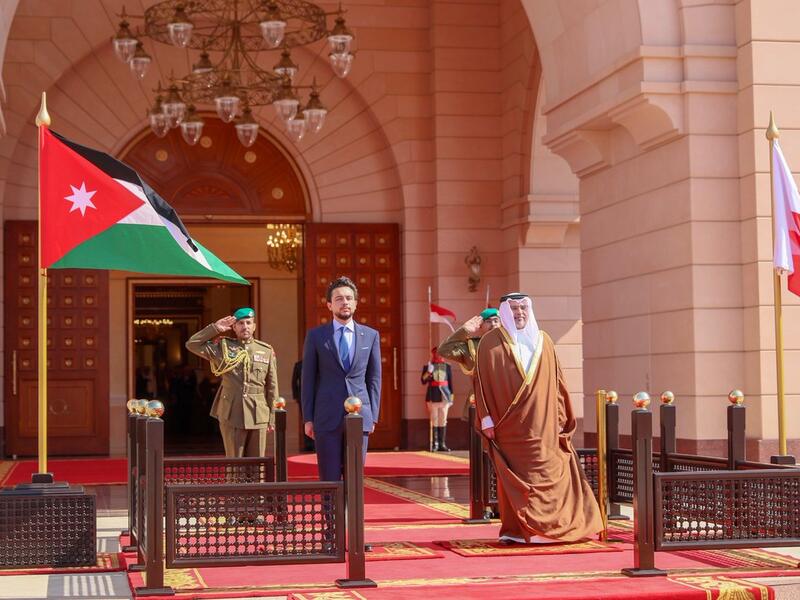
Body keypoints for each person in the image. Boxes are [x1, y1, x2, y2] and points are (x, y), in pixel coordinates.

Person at [474, 292, 602, 544]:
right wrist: (486, 419)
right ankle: (519, 531)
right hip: (508, 427)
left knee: (550, 472)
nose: (519, 312)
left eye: (523, 307)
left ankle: (554, 528)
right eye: (514, 308)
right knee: (514, 480)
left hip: (544, 426)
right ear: (504, 312)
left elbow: (558, 383)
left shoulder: (544, 341)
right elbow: (481, 385)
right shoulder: (490, 343)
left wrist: (562, 417)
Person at [301, 276, 381, 482]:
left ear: (355, 303)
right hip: (326, 416)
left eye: (348, 298)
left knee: (355, 476)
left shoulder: (370, 335)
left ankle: (354, 516)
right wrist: (308, 418)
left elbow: (374, 378)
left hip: (360, 416)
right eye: (338, 299)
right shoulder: (316, 336)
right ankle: (332, 516)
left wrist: (373, 415)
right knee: (329, 477)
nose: (344, 302)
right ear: (329, 305)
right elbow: (308, 379)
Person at [185, 307, 278, 457]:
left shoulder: (266, 350)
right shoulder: (223, 348)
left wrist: (271, 418)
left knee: (258, 465)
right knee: (235, 465)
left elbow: (272, 387)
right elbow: (192, 344)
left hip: (259, 413)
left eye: (248, 323)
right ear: (234, 327)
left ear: (254, 326)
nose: (245, 326)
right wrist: (215, 328)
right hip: (232, 412)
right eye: (240, 323)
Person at [420, 348, 453, 451]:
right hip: (432, 396)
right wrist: (428, 372)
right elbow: (423, 381)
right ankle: (435, 444)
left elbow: (450, 382)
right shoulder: (428, 366)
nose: (439, 356)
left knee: (443, 420)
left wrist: (451, 398)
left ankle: (442, 444)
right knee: (434, 419)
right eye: (436, 354)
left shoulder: (447, 366)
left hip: (444, 396)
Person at [292, 359, 315, 451]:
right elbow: (294, 382)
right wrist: (296, 397)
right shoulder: (299, 365)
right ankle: (308, 445)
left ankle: (315, 444)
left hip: (317, 397)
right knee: (306, 420)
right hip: (303, 398)